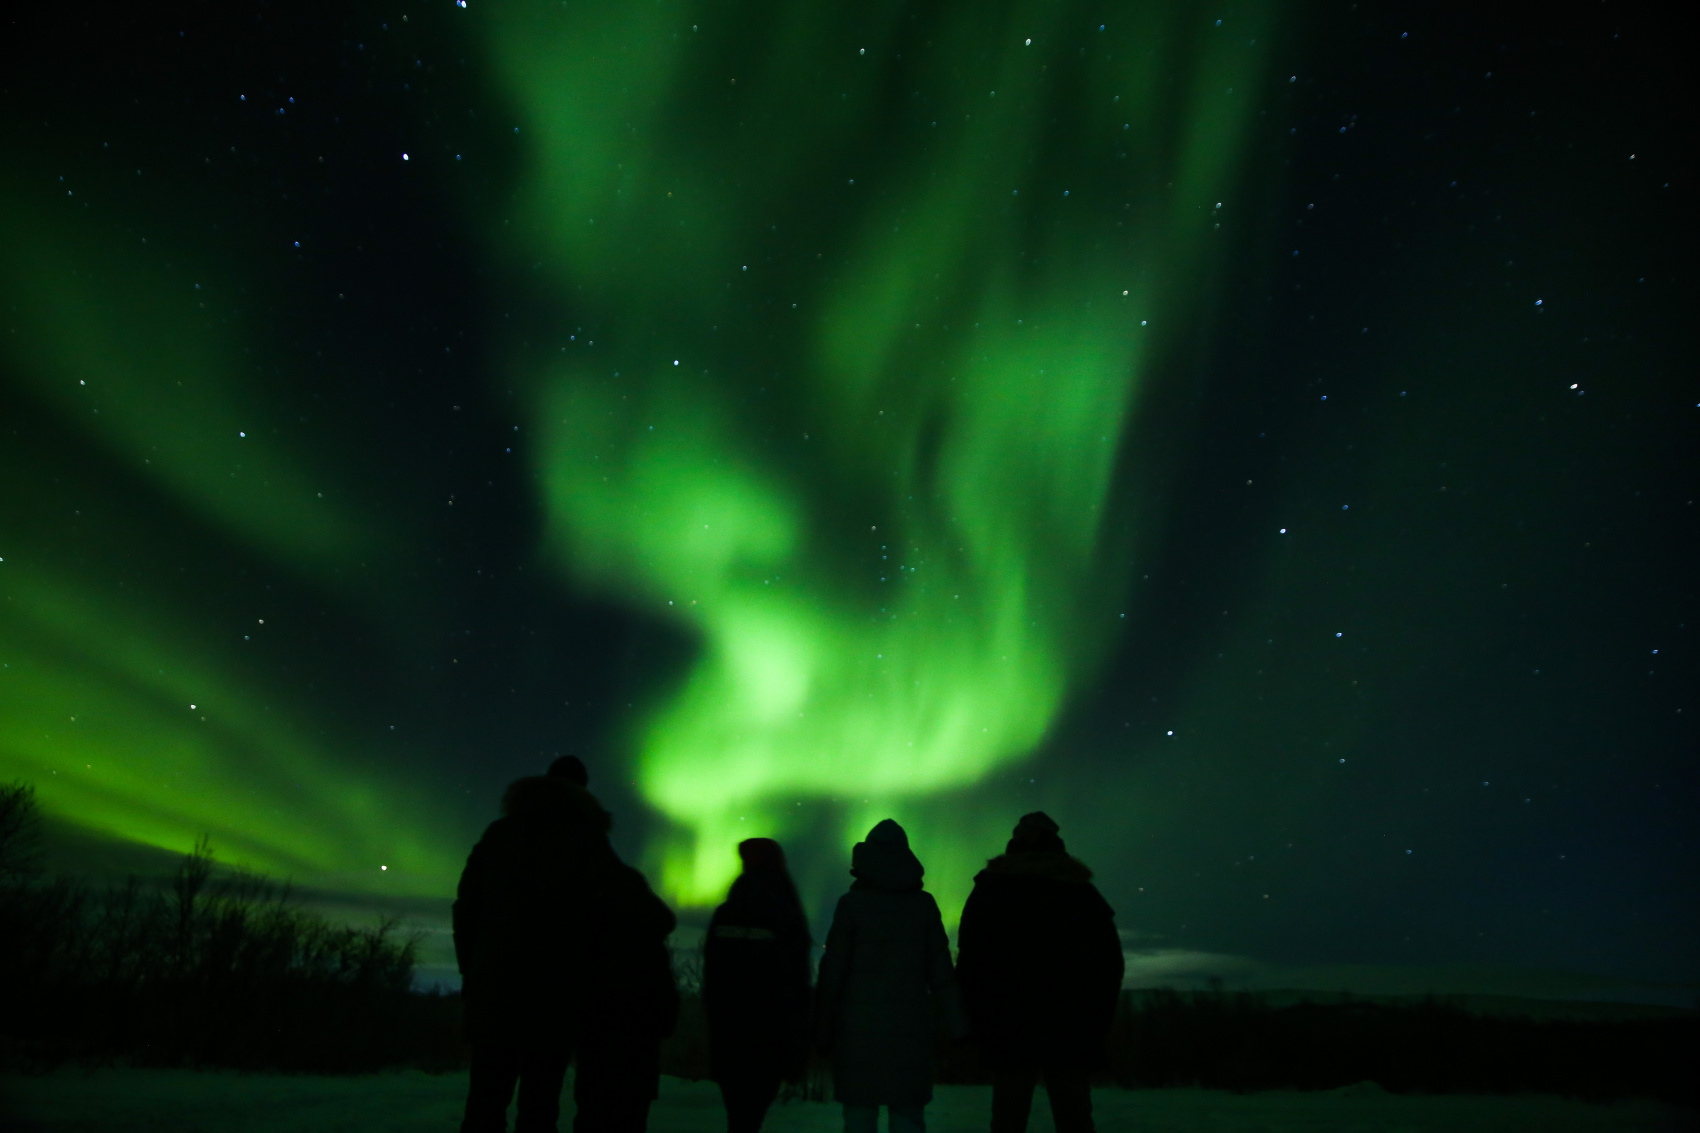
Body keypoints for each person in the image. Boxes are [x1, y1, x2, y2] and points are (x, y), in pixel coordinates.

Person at [453, 758, 613, 1133]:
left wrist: (473, 969)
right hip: (556, 995)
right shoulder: (588, 842)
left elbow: (466, 908)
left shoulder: (500, 834)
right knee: (540, 1106)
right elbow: (610, 918)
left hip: (495, 988)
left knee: (485, 1101)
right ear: (583, 791)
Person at [955, 812, 1123, 1133]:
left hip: (1008, 1024)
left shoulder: (991, 890)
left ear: (1014, 844)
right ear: (1057, 845)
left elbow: (971, 961)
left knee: (1008, 1117)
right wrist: (1096, 1022)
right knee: (1074, 1116)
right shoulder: (1081, 894)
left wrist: (977, 1019)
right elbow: (1108, 965)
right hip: (1071, 1025)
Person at [815, 819, 966, 1133]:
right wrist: (958, 1028)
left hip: (857, 1030)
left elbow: (832, 975)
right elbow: (942, 975)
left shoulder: (851, 906)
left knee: (859, 1116)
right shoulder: (924, 906)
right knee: (907, 1116)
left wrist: (821, 1030)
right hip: (909, 1030)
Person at [704, 838, 812, 1133]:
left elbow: (711, 979)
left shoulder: (725, 913)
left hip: (729, 1032)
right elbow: (797, 981)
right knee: (751, 1115)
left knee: (738, 1116)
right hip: (770, 1034)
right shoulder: (786, 915)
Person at [573, 854, 679, 1133]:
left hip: (596, 1041)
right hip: (640, 1046)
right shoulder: (650, 942)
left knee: (591, 1112)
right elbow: (665, 998)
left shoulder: (591, 938)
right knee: (632, 1115)